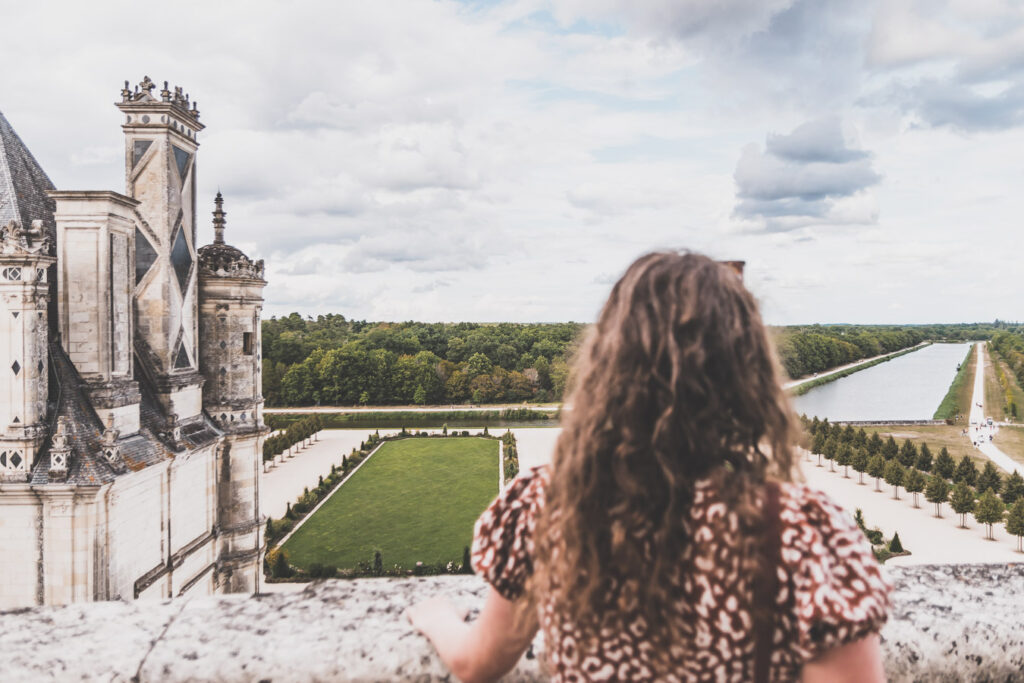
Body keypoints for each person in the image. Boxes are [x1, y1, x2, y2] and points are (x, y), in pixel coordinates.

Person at [407, 252, 891, 682]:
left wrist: (437, 617)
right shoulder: (800, 532)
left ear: (608, 366)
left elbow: (477, 664)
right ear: (747, 374)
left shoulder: (550, 504)